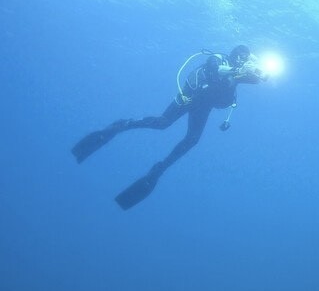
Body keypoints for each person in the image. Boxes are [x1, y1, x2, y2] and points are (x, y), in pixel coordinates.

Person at [72, 45, 267, 210]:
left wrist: (258, 68)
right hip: (189, 98)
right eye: (241, 57)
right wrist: (236, 70)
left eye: (245, 58)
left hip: (203, 107)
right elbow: (214, 68)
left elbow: (260, 78)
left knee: (192, 140)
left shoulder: (241, 72)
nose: (242, 61)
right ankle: (122, 125)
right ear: (234, 55)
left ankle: (158, 171)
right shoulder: (219, 59)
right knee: (162, 123)